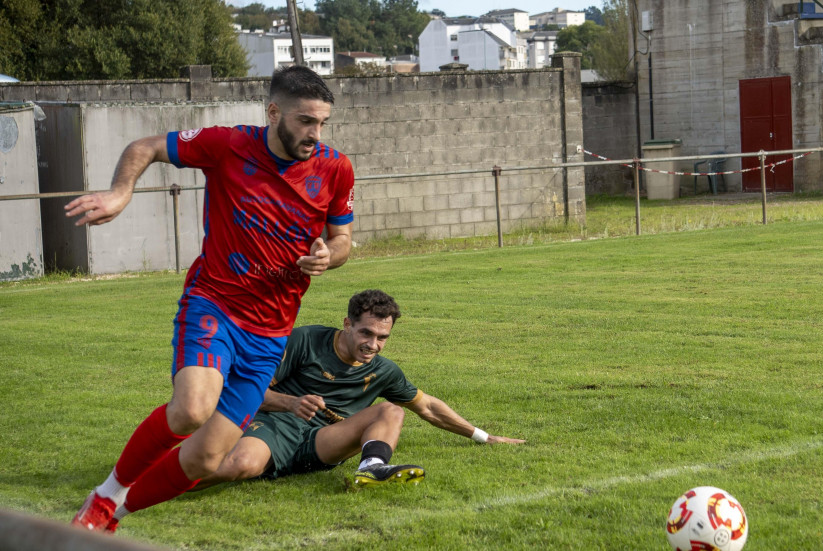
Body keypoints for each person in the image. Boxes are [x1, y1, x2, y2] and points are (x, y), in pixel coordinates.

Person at [66, 65, 355, 533]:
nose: (314, 133)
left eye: (322, 123)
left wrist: (329, 255)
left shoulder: (335, 167)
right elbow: (145, 147)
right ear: (274, 111)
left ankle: (110, 516)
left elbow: (342, 239)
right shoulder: (228, 144)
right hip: (215, 303)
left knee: (204, 457)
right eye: (305, 121)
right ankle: (105, 494)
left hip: (271, 331)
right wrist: (121, 194)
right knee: (192, 409)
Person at [195, 289, 525, 491]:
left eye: (382, 337)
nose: (373, 344)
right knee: (241, 465)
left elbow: (428, 407)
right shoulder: (306, 340)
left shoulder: (384, 371)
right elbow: (244, 390)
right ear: (347, 323)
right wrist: (291, 403)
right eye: (366, 333)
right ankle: (159, 482)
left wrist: (484, 437)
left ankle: (371, 467)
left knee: (392, 410)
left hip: (323, 444)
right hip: (276, 426)